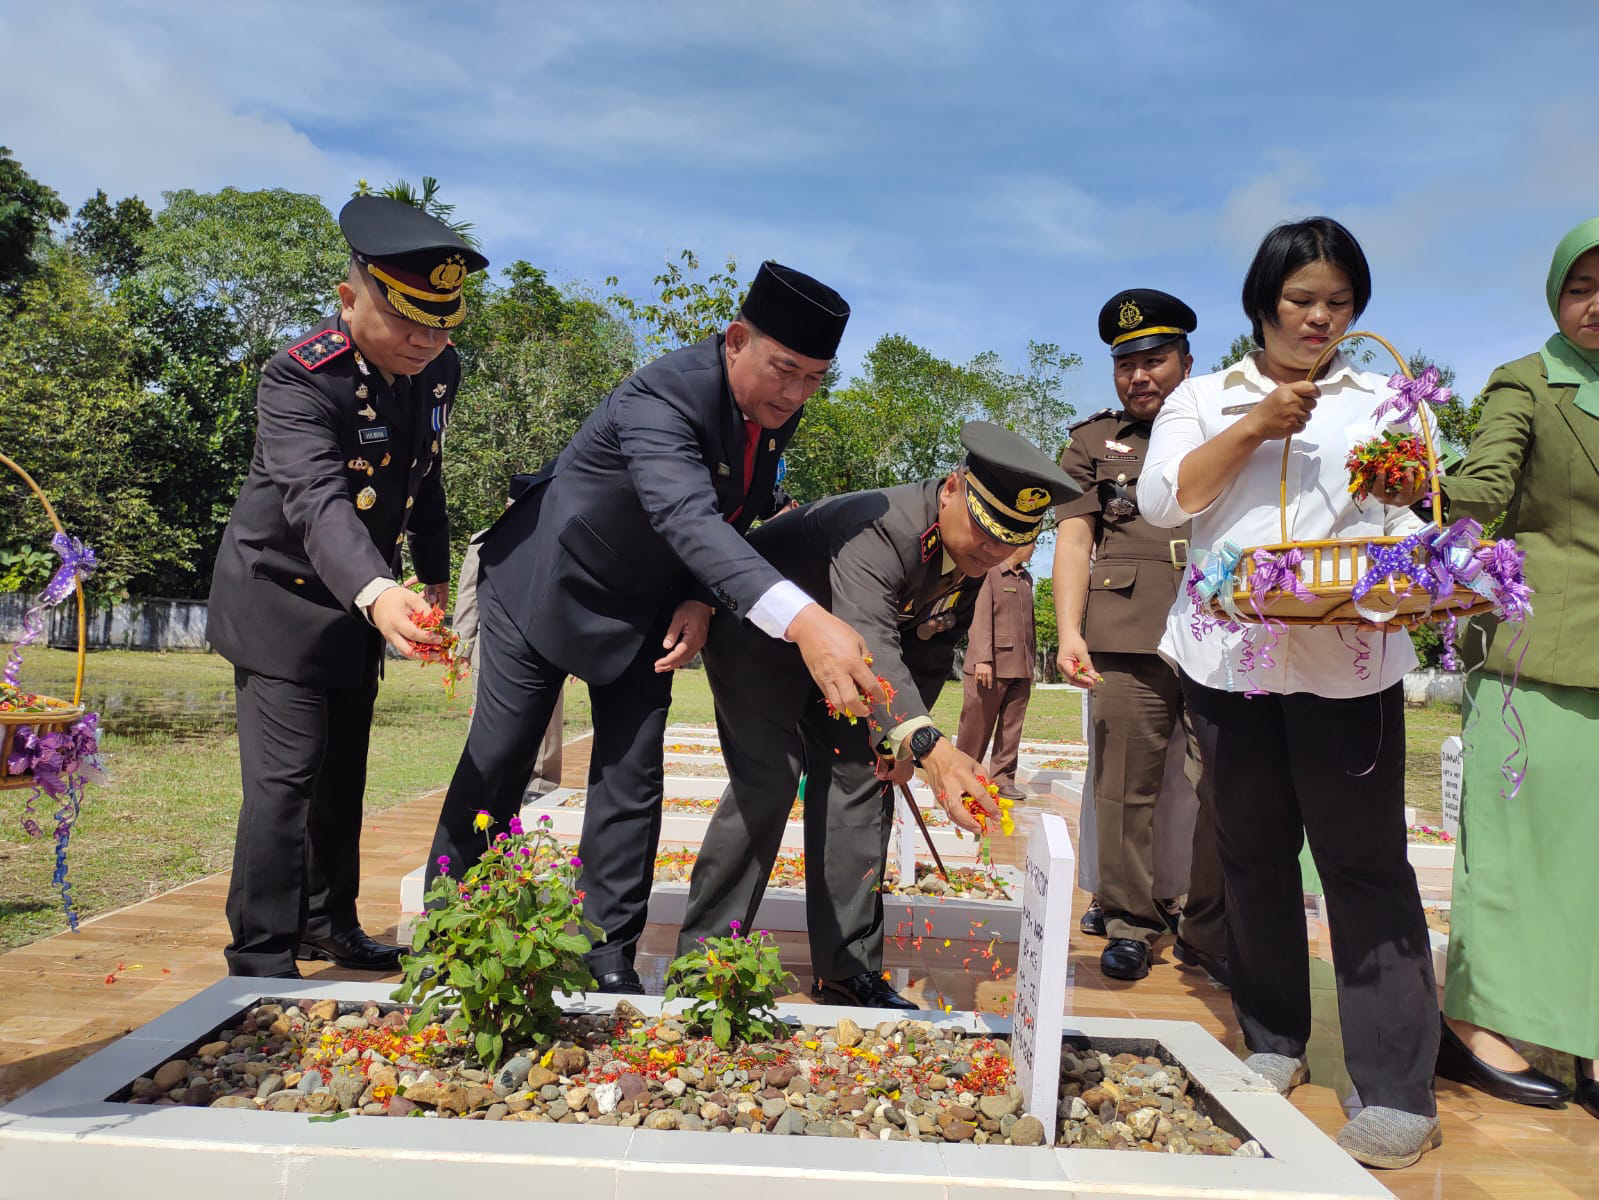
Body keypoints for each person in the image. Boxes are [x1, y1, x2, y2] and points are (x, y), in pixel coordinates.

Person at [426, 262, 884, 995]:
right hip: (544, 581)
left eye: (814, 380)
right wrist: (801, 620)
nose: (796, 395)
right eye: (785, 371)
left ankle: (606, 953)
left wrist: (702, 597)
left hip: (646, 604)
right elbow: (684, 514)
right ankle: (449, 937)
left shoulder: (770, 408)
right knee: (500, 759)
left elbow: (739, 510)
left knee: (631, 776)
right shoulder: (660, 395)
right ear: (735, 341)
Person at [1142, 217, 1441, 1168]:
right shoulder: (1202, 396)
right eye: (1300, 301)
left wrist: (1407, 561)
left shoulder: (1380, 399)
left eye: (1338, 304)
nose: (1319, 319)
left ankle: (1394, 1087)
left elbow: (1405, 511)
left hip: (1347, 663)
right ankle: (1272, 1042)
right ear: (1260, 306)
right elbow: (1165, 501)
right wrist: (1255, 426)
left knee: (1364, 865)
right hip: (1230, 664)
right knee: (1253, 856)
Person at [678, 422, 1080, 1007]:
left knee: (863, 781)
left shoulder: (968, 556)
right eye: (985, 531)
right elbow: (874, 641)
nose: (989, 552)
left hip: (855, 662)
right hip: (759, 641)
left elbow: (929, 648)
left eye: (1007, 542)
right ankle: (705, 963)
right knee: (768, 778)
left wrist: (899, 743)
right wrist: (930, 749)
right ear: (951, 489)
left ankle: (847, 971)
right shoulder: (883, 527)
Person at [207, 196, 488, 978]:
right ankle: (260, 955)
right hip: (280, 598)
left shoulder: (437, 370)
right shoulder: (298, 378)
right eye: (408, 323)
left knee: (342, 776)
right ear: (348, 298)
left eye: (443, 325)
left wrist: (429, 578)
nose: (427, 343)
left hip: (361, 604)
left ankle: (328, 924)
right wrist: (376, 588)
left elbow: (421, 480)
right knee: (286, 781)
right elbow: (317, 501)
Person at [1432, 216, 1599, 1119]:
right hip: (1536, 661)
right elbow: (1483, 484)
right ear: (1555, 295)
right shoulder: (1525, 384)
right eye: (1580, 286)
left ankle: (1587, 1035)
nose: (1596, 303)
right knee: (1509, 859)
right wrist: (1414, 483)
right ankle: (1472, 1027)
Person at [1053, 289, 1227, 987]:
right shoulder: (1094, 442)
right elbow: (1072, 537)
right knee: (1122, 791)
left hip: (1222, 630)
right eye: (1125, 364)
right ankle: (1128, 922)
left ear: (1186, 360)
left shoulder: (1226, 430)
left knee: (1227, 788)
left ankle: (1208, 925)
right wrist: (1068, 630)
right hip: (1126, 633)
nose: (1139, 376)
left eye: (1154, 359)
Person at [452, 475, 565, 797]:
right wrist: (461, 646)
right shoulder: (484, 540)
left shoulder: (556, 541)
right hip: (490, 642)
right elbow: (468, 597)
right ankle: (482, 779)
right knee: (484, 713)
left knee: (549, 716)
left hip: (544, 642)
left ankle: (542, 785)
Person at [955, 542, 1037, 802]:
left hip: (1020, 666)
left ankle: (1003, 779)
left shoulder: (1025, 578)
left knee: (1012, 728)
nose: (1034, 549)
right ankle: (961, 776)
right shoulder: (989, 573)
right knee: (976, 726)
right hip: (990, 665)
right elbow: (979, 616)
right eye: (1031, 543)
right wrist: (981, 658)